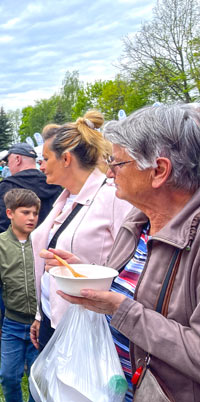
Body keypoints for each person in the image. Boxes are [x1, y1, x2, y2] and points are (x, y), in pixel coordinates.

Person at [44, 105, 200, 401]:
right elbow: (139, 285)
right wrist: (87, 272)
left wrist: (119, 309)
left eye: (117, 164)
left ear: (159, 171)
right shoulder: (139, 222)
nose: (109, 173)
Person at [29, 111, 133, 353]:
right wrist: (39, 313)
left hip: (88, 328)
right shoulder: (63, 199)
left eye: (45, 158)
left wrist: (83, 270)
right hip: (52, 319)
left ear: (66, 159)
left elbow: (133, 267)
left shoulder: (112, 197)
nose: (41, 166)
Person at [0, 189, 40, 402]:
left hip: (40, 324)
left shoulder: (43, 240)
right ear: (10, 213)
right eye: (25, 212)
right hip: (12, 325)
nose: (32, 218)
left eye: (35, 213)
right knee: (8, 376)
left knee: (37, 377)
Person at [0, 142, 61, 236]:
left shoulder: (9, 185)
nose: (8, 165)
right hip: (49, 242)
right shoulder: (53, 183)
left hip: (19, 244)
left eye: (9, 161)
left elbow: (1, 223)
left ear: (17, 159)